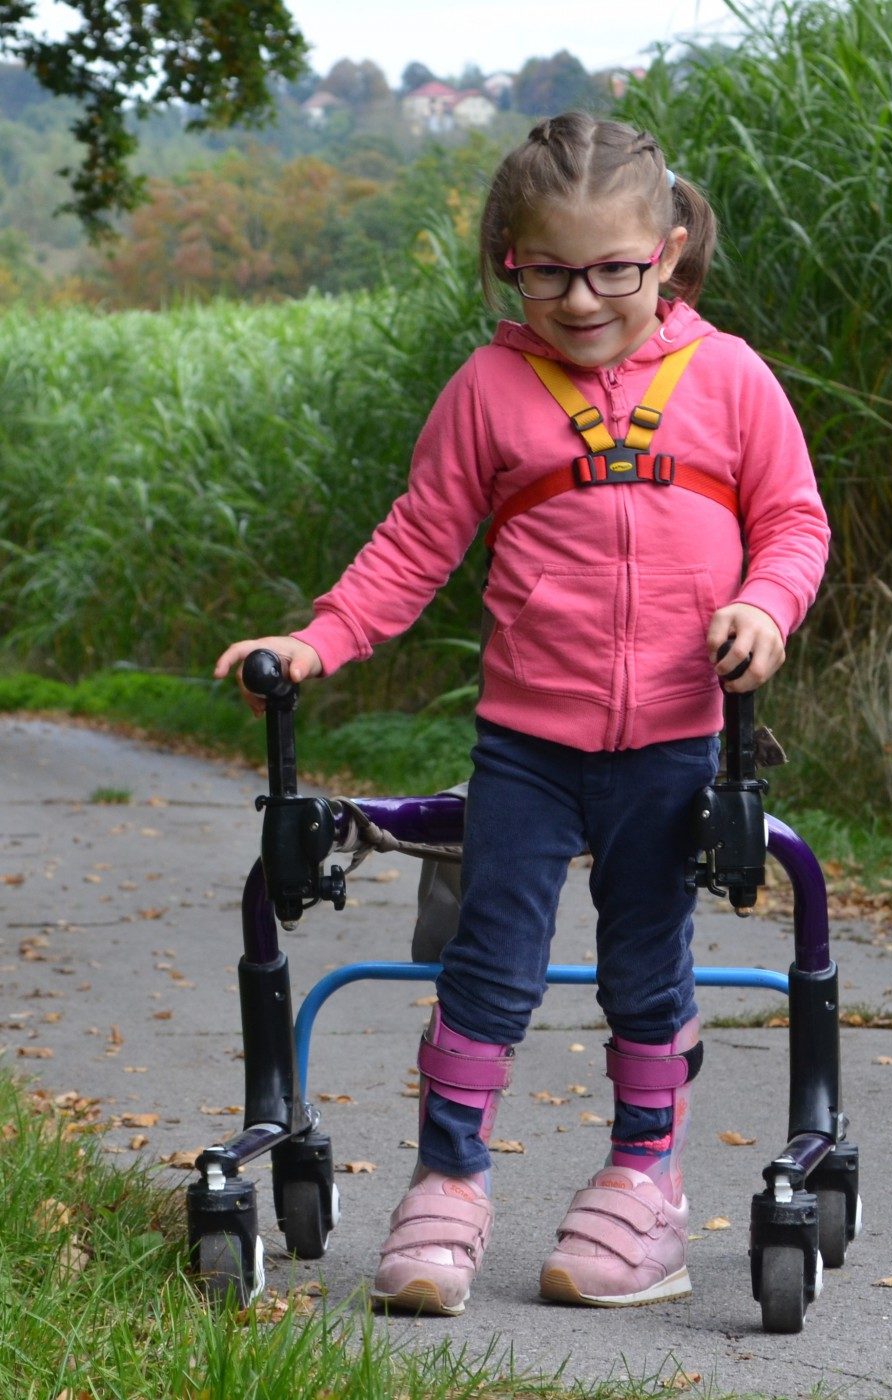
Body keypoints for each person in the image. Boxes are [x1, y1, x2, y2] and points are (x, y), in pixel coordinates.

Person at [215, 111, 830, 1316]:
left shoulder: (731, 380)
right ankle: (448, 1179)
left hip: (675, 742)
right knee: (488, 966)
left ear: (669, 249)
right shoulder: (491, 389)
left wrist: (767, 606)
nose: (582, 298)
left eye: (615, 270)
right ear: (510, 259)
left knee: (647, 970)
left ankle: (645, 1183)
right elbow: (414, 545)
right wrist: (316, 638)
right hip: (530, 747)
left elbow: (794, 524)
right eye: (548, 271)